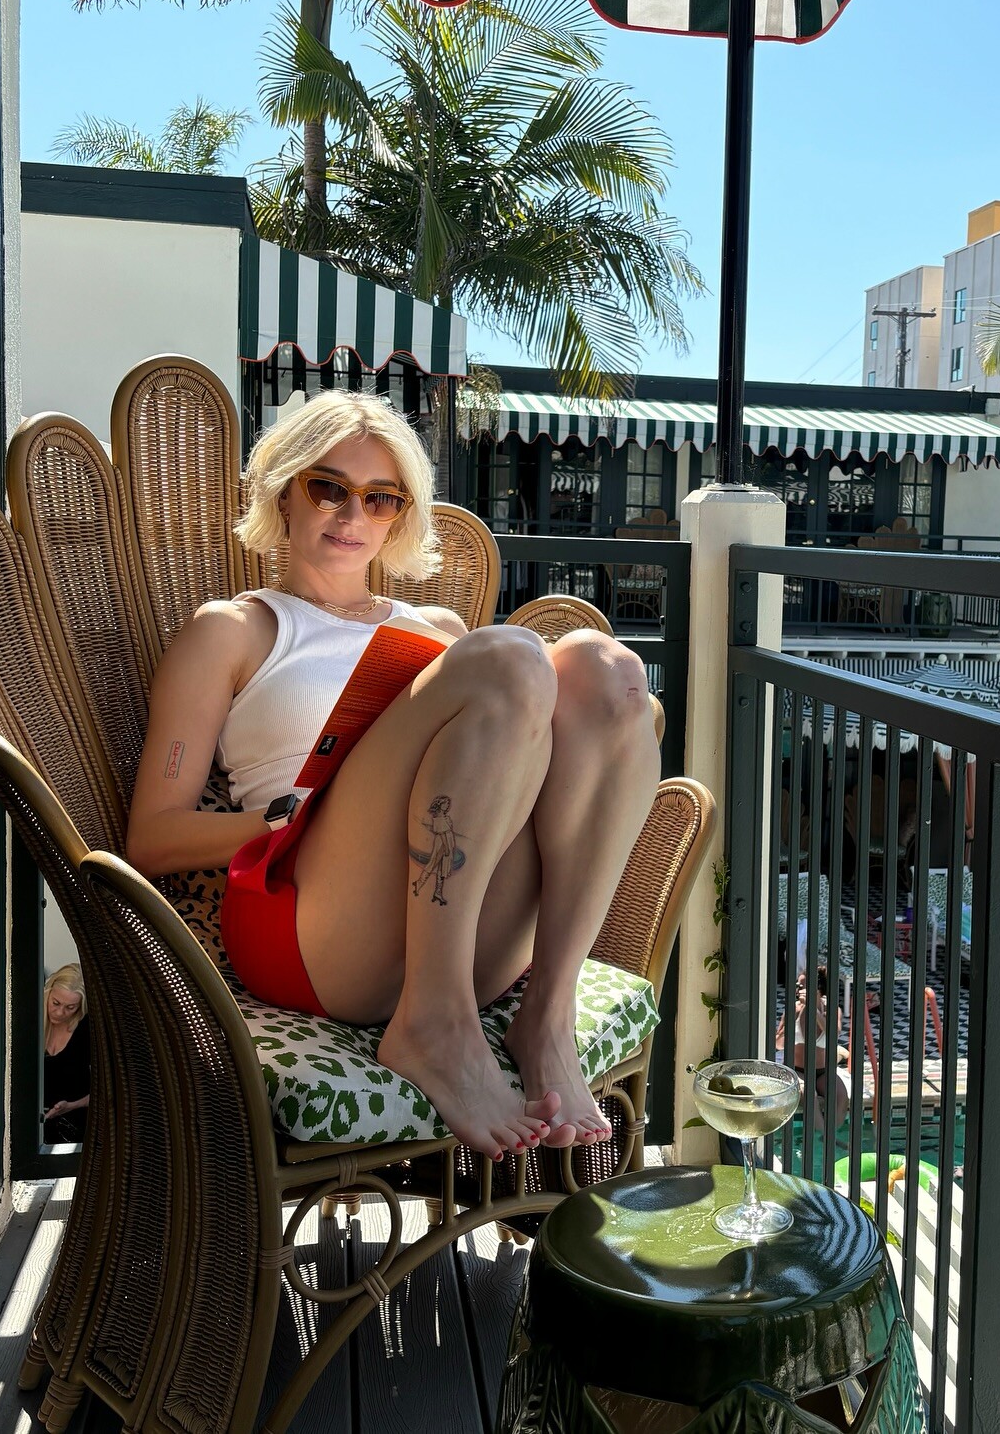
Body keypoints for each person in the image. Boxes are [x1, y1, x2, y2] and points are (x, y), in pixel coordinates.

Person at [125, 391, 660, 1162]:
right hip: (314, 931)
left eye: (381, 498)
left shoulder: (436, 631)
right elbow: (151, 837)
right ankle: (432, 1023)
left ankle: (547, 1011)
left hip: (460, 928)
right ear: (283, 490)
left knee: (610, 673)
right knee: (509, 656)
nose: (354, 515)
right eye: (328, 487)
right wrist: (281, 817)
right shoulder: (235, 630)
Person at [775, 968, 850, 1118]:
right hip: (798, 1070)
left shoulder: (832, 1009)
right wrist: (787, 1028)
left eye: (803, 987)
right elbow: (778, 1044)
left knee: (842, 1099)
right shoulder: (794, 1009)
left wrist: (813, 1009)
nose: (799, 990)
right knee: (811, 1097)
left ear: (818, 989)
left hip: (823, 1071)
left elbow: (833, 1034)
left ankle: (832, 1130)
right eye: (798, 986)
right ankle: (823, 1132)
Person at [42, 962, 90, 1144]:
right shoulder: (30, 1020)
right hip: (31, 1127)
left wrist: (72, 1105)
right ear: (48, 992)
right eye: (56, 1003)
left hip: (75, 1128)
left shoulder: (87, 1030)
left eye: (70, 1007)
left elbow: (108, 1088)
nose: (60, 1012)